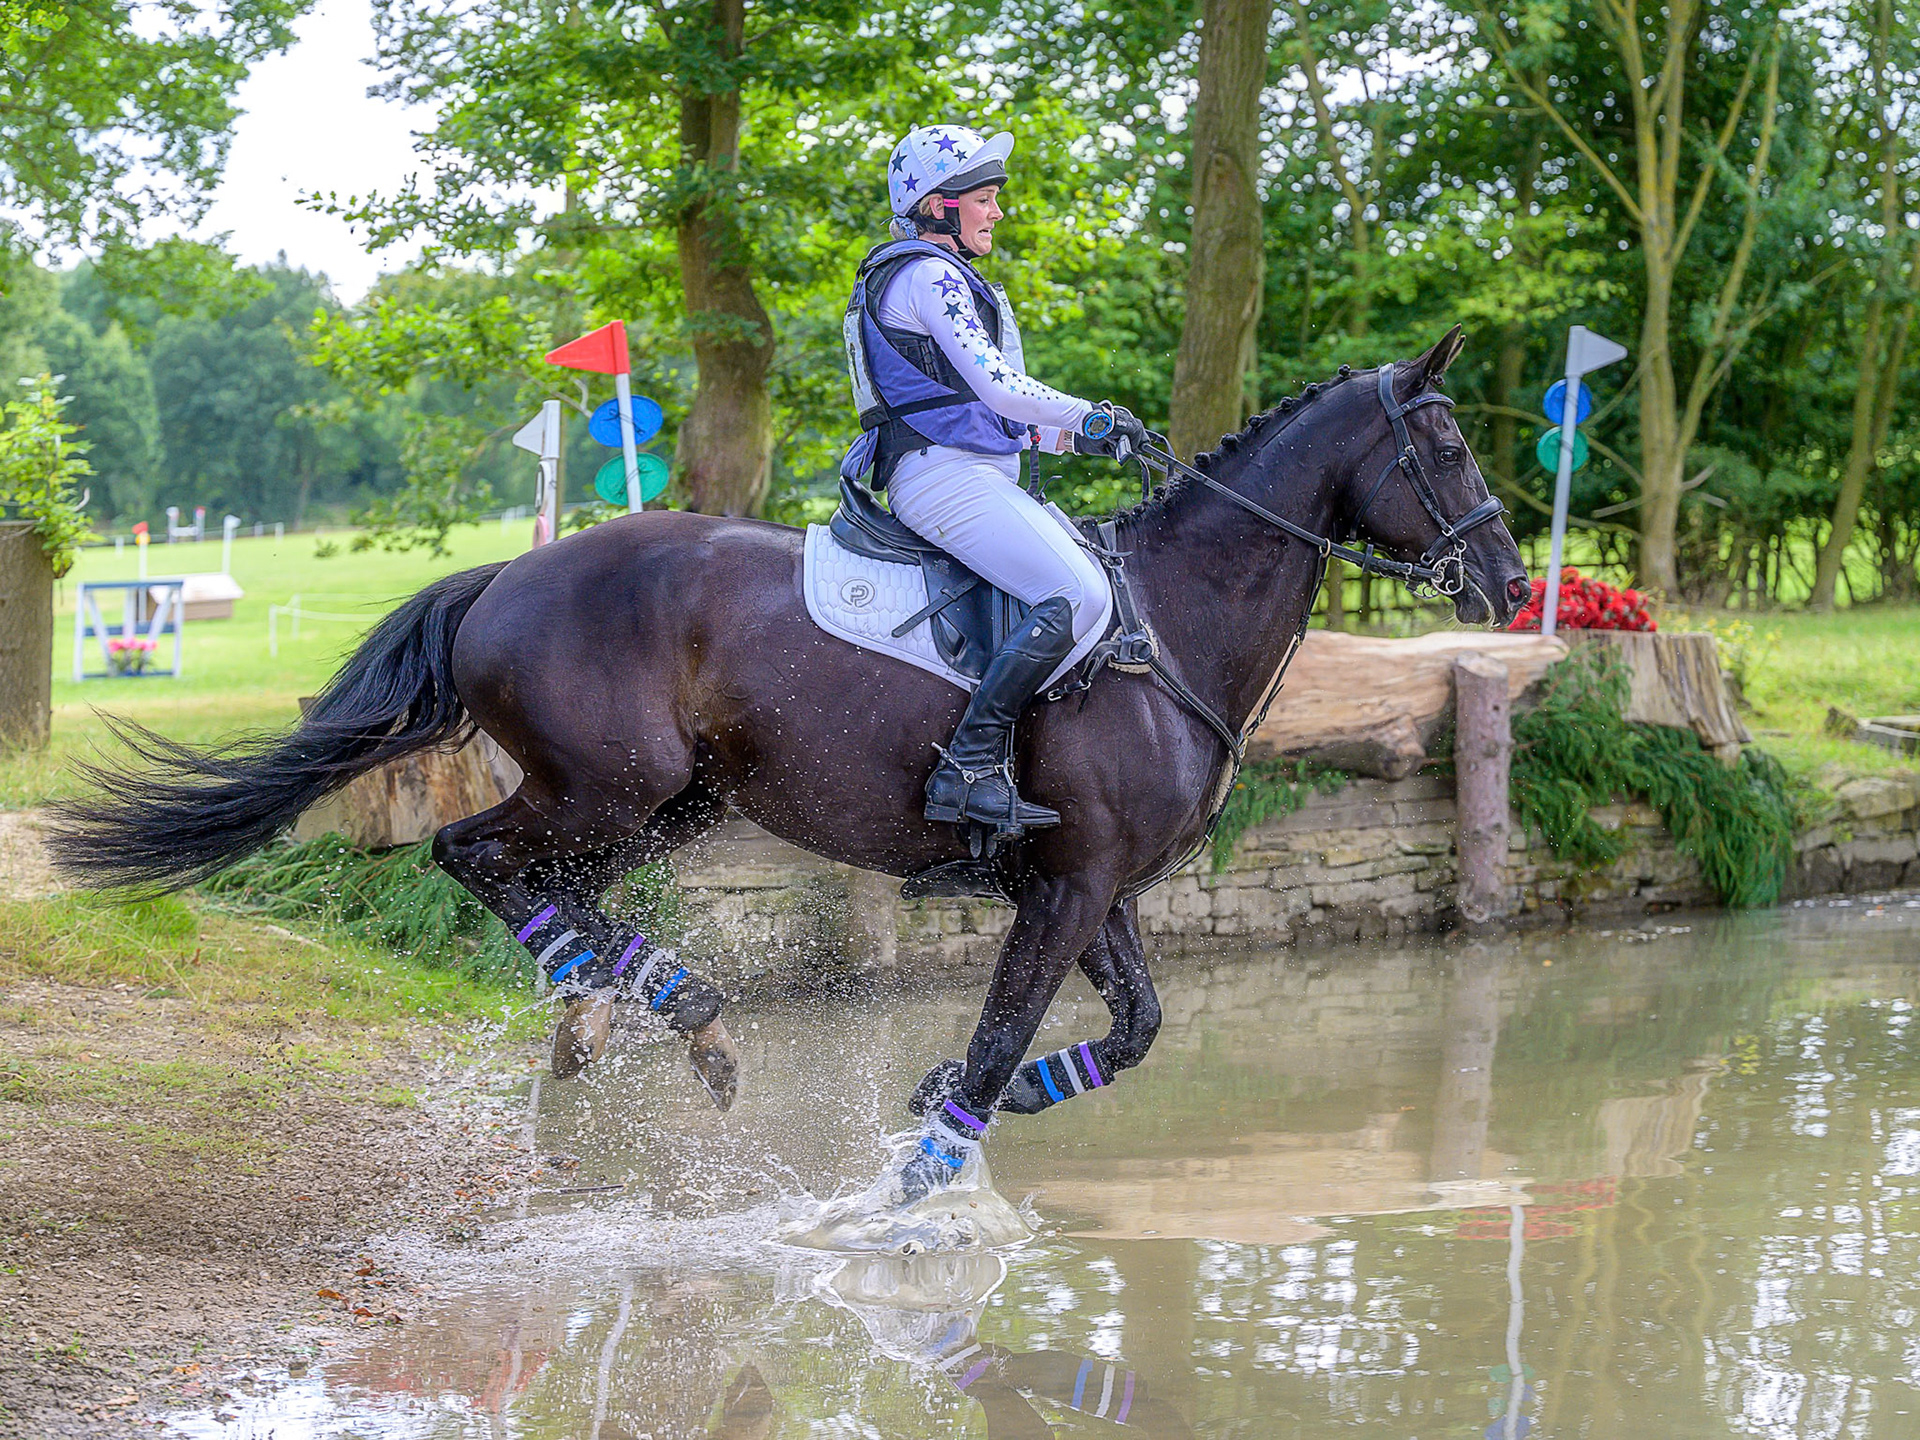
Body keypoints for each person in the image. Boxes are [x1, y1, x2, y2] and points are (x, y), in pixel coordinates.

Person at [843, 123, 1147, 843]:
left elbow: (993, 414)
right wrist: (1091, 414)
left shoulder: (925, 274)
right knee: (1078, 594)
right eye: (983, 198)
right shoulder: (928, 274)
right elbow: (1004, 389)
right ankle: (969, 765)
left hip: (962, 468)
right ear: (939, 205)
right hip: (945, 480)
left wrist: (1086, 437)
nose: (997, 212)